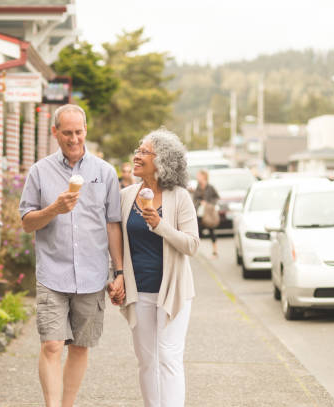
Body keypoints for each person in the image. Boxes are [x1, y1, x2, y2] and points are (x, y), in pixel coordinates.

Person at [19, 104, 124, 407]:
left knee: (80, 346)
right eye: (67, 133)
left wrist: (118, 272)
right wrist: (54, 209)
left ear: (86, 130)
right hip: (53, 273)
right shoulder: (40, 171)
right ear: (55, 133)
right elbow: (27, 223)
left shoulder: (104, 173)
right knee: (52, 345)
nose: (74, 139)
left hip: (92, 275)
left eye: (79, 132)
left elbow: (112, 224)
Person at [117, 128, 200, 407]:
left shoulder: (180, 197)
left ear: (161, 160)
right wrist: (116, 276)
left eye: (144, 152)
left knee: (168, 356)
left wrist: (160, 224)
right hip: (139, 290)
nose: (136, 156)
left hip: (173, 291)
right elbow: (117, 242)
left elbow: (192, 245)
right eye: (138, 150)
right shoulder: (126, 196)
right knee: (146, 360)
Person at [192, 169, 220, 257]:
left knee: (211, 230)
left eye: (199, 175)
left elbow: (216, 197)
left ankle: (215, 251)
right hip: (199, 213)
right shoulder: (198, 187)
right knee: (198, 232)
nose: (197, 177)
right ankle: (196, 252)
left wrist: (208, 203)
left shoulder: (210, 187)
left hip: (208, 213)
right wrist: (200, 202)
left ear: (204, 176)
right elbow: (195, 199)